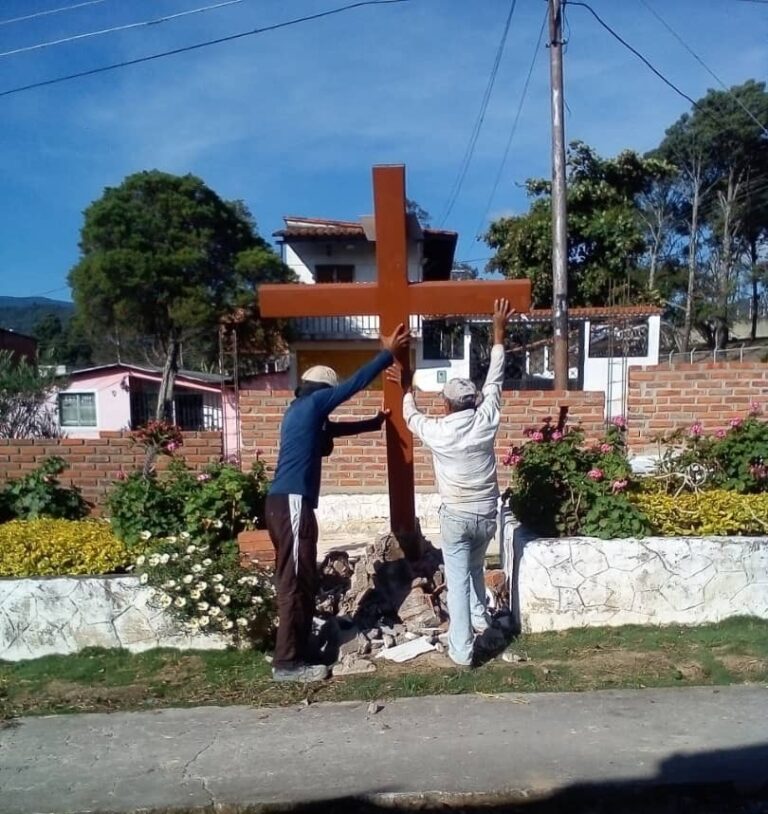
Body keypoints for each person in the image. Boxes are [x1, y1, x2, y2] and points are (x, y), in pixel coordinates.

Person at [266, 323, 410, 682]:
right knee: (294, 583)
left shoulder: (300, 411)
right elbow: (355, 384)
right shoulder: (314, 403)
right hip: (291, 503)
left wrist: (373, 423)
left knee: (303, 580)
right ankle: (287, 664)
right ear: (323, 391)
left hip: (288, 504)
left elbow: (336, 430)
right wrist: (388, 353)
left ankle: (301, 651)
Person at [389, 299, 513, 667]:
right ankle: (481, 619)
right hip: (486, 516)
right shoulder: (486, 419)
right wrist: (499, 333)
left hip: (456, 516)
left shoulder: (438, 431)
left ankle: (462, 651)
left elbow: (410, 415)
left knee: (457, 581)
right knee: (475, 567)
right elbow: (495, 378)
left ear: (446, 406)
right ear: (473, 402)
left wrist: (406, 383)